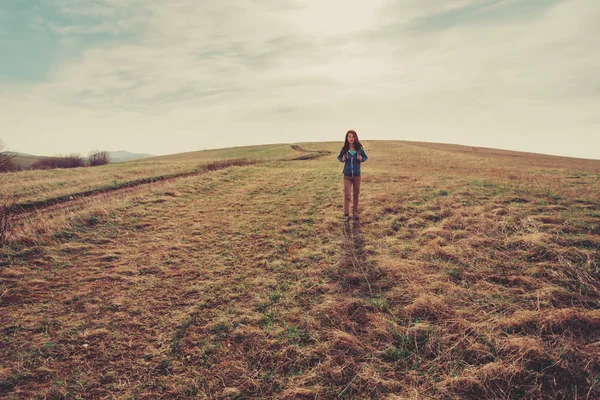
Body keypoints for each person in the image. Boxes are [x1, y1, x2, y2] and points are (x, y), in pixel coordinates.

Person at [337, 130, 368, 222]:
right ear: (347, 138)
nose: (351, 138)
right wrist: (342, 159)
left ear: (355, 138)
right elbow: (339, 157)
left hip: (357, 175)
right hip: (347, 175)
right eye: (349, 137)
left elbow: (366, 157)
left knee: (356, 194)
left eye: (353, 137)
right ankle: (346, 214)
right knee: (347, 194)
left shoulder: (359, 149)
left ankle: (355, 211)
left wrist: (361, 158)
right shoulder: (344, 149)